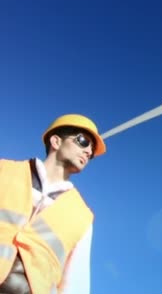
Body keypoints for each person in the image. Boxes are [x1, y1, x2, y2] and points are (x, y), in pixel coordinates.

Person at [0, 114, 106, 294]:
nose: (89, 151)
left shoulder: (82, 216)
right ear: (56, 141)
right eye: (83, 141)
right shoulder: (4, 171)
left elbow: (76, 284)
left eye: (92, 151)